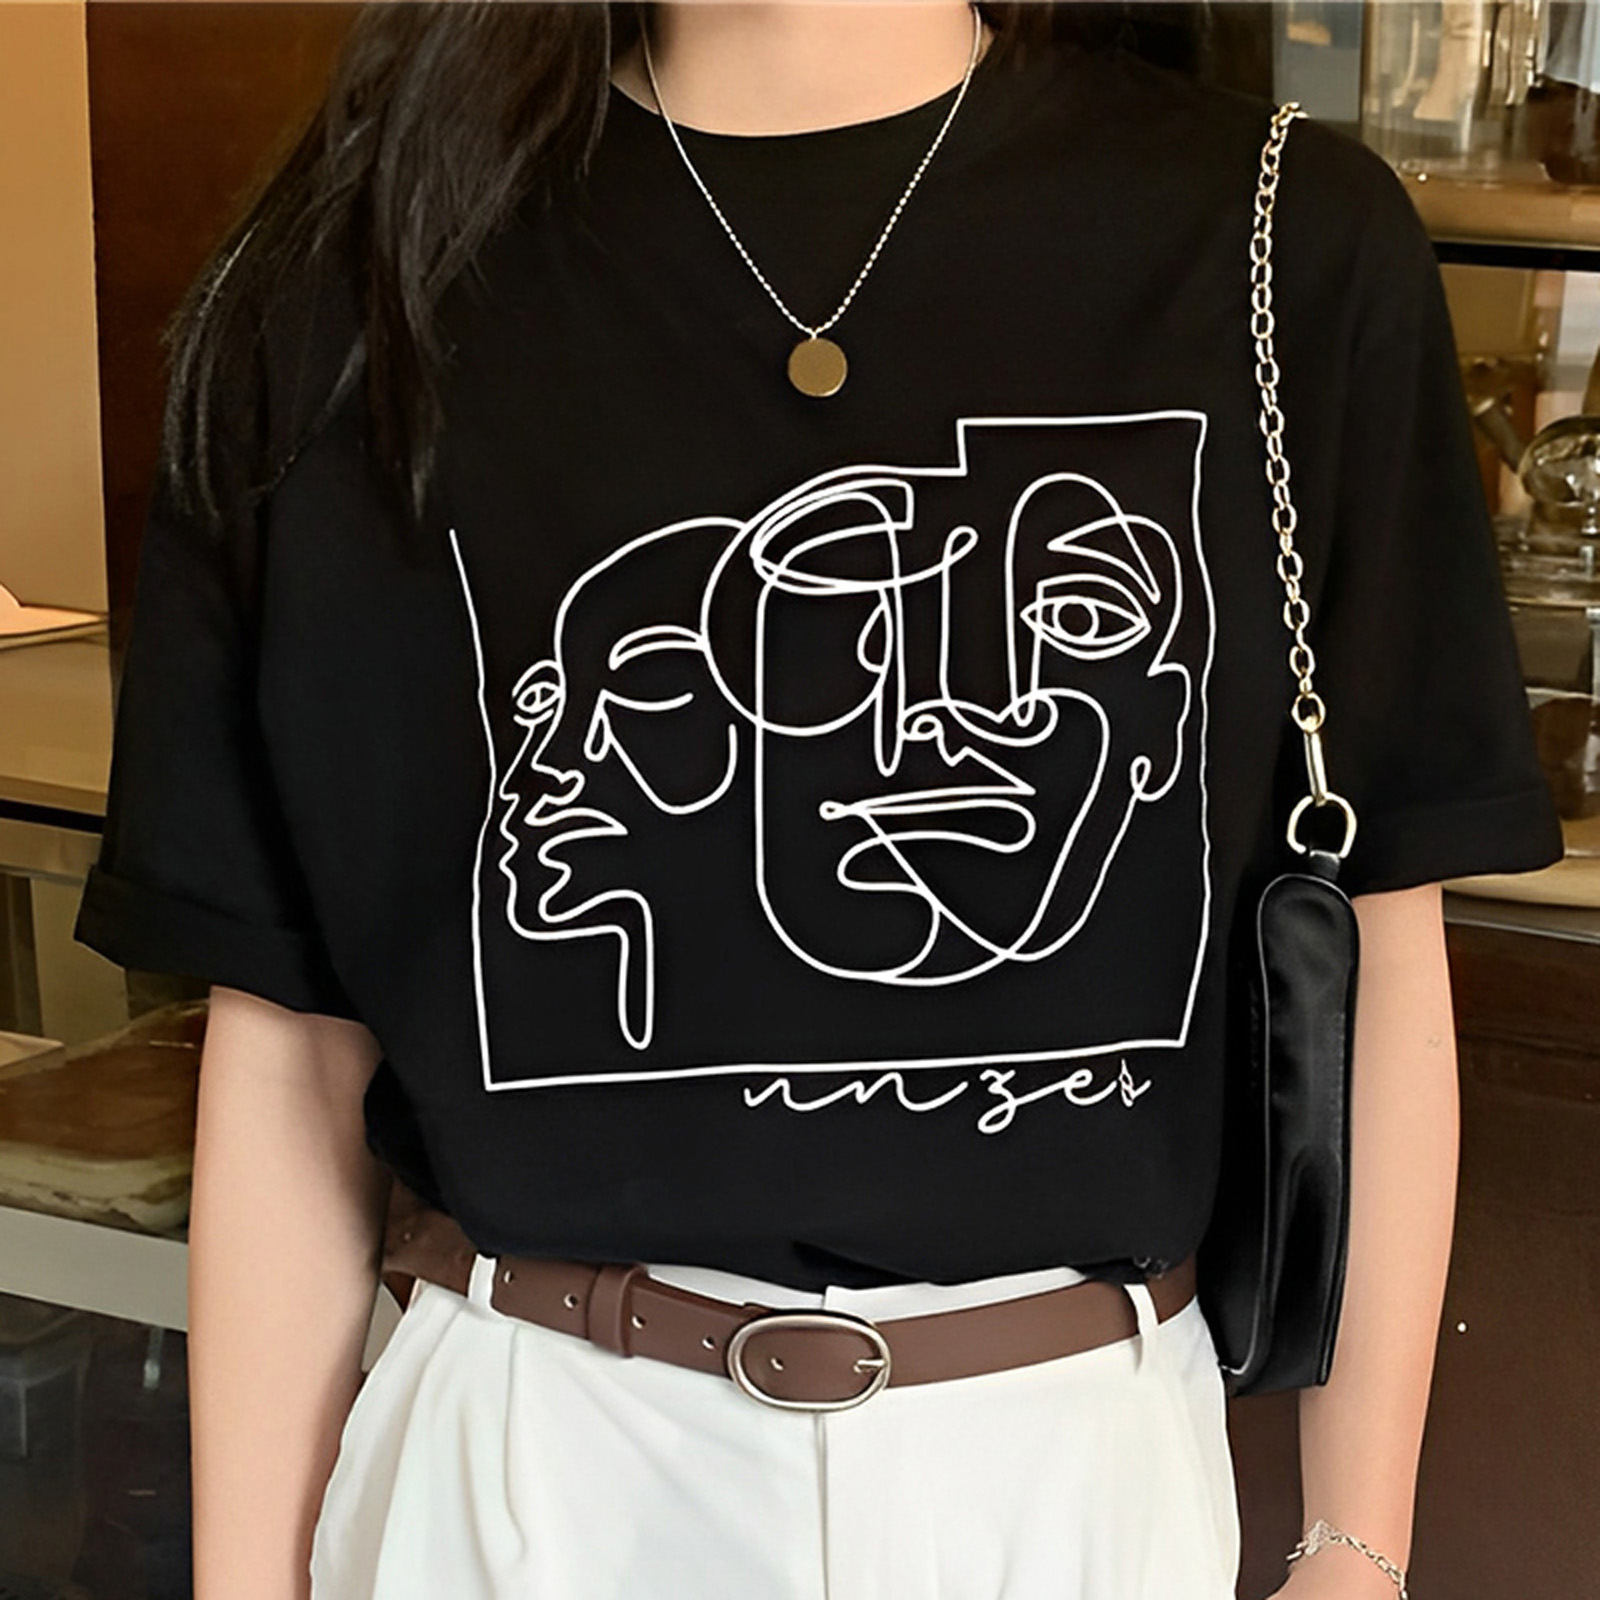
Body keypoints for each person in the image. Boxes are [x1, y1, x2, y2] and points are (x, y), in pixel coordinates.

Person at [72, 4, 1565, 1599]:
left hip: (1070, 1477)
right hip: (524, 1476)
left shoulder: (1280, 239)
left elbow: (1376, 931)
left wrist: (1356, 1548)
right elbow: (290, 1039)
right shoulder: (345, 275)